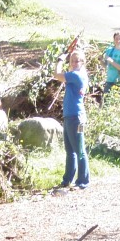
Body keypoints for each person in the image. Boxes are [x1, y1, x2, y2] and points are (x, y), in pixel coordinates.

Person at [53, 49, 90, 189]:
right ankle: (67, 179)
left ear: (82, 62)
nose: (74, 63)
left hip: (77, 117)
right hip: (70, 116)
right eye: (72, 60)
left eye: (77, 60)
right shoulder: (79, 74)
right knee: (70, 150)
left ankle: (83, 181)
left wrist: (60, 60)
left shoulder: (76, 75)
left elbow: (56, 75)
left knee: (79, 149)